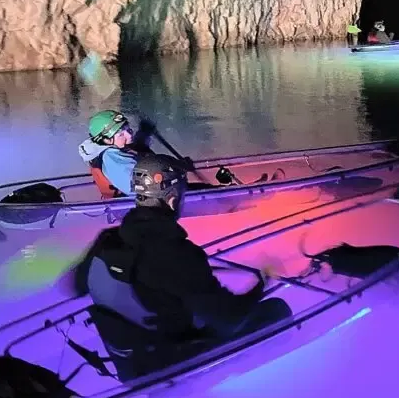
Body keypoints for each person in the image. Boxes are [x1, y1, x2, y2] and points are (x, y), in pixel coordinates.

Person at [72, 154, 293, 379]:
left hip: (131, 364)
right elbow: (230, 318)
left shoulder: (107, 240)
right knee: (277, 310)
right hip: (175, 364)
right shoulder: (176, 253)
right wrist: (262, 283)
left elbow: (76, 285)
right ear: (172, 199)